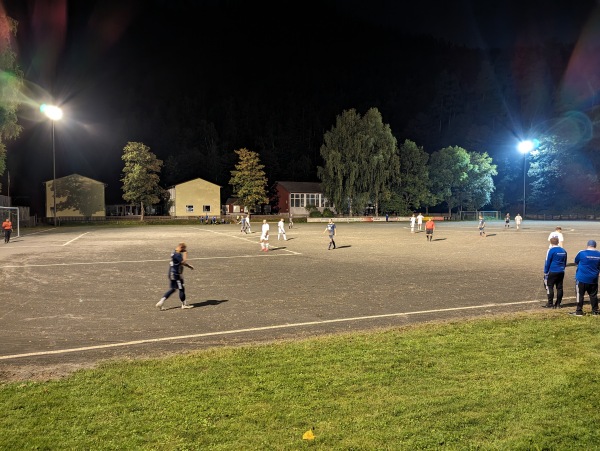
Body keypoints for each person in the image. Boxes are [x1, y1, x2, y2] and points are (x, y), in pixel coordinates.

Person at [156, 242, 195, 310]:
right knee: (181, 288)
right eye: (184, 249)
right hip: (176, 275)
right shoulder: (177, 255)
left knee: (173, 289)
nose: (184, 251)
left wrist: (189, 266)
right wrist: (185, 254)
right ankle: (184, 304)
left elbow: (180, 262)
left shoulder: (174, 251)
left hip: (171, 273)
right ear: (181, 247)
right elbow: (183, 262)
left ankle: (161, 302)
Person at [571, 240, 600, 316]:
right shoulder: (599, 254)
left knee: (579, 294)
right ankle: (595, 311)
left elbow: (576, 261)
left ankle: (579, 311)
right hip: (593, 279)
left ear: (587, 245)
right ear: (595, 246)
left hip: (581, 278)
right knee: (593, 295)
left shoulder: (582, 253)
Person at [543, 236, 567, 308]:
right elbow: (565, 261)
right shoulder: (563, 250)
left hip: (553, 271)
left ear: (551, 242)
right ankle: (558, 304)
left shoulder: (551, 250)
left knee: (549, 286)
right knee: (559, 287)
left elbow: (547, 261)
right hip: (561, 271)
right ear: (558, 242)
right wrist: (562, 268)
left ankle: (550, 303)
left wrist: (545, 271)